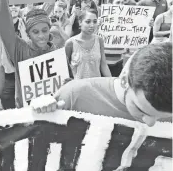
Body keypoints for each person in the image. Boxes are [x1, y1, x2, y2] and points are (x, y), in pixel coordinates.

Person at [32, 42, 172, 127]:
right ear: (124, 81)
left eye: (164, 117)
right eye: (142, 111)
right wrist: (41, 113)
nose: (150, 123)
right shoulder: (75, 95)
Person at [0, 0, 60, 108]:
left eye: (45, 30)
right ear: (28, 34)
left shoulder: (56, 51)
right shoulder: (20, 49)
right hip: (28, 117)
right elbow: (3, 24)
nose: (41, 36)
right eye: (35, 32)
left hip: (53, 113)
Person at [65, 9, 111, 79]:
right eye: (88, 22)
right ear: (80, 22)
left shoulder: (99, 40)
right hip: (78, 87)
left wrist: (111, 82)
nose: (92, 25)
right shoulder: (70, 43)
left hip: (96, 86)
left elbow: (103, 64)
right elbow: (65, 67)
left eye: (95, 21)